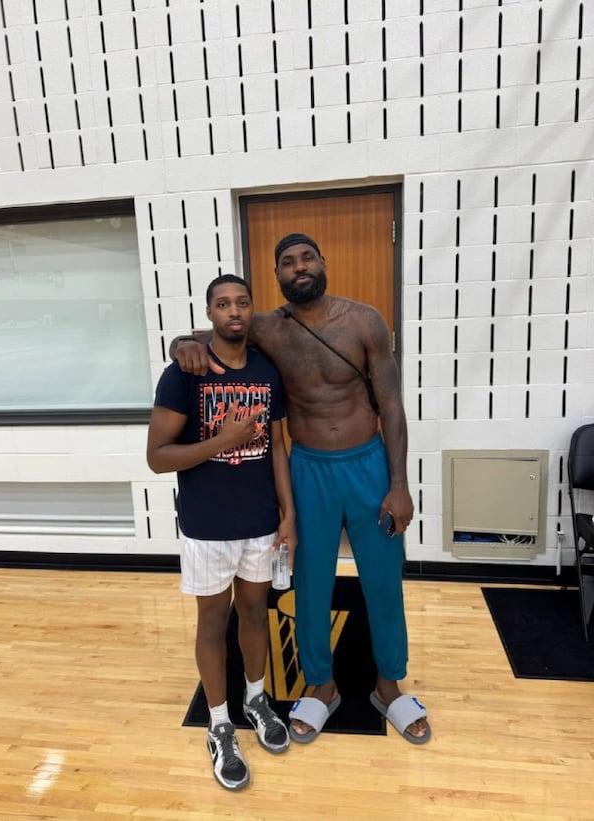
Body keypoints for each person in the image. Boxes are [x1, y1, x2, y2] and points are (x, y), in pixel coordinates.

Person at [170, 234, 430, 746]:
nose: (299, 266)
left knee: (383, 580)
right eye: (288, 262)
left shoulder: (364, 321)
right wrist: (182, 344)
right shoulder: (267, 327)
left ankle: (389, 686)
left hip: (368, 465)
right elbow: (212, 333)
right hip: (308, 468)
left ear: (322, 262)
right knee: (309, 582)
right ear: (278, 276)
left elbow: (392, 405)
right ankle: (321, 685)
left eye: (307, 257)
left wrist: (399, 484)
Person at [147, 274, 297, 791]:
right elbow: (157, 457)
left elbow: (277, 447)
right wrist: (222, 440)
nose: (234, 311)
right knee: (213, 622)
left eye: (242, 302)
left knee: (255, 614)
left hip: (260, 522)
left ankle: (255, 699)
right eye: (223, 304)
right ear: (209, 313)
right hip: (208, 526)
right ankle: (218, 725)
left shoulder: (266, 370)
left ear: (251, 310)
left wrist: (288, 515)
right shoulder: (184, 372)